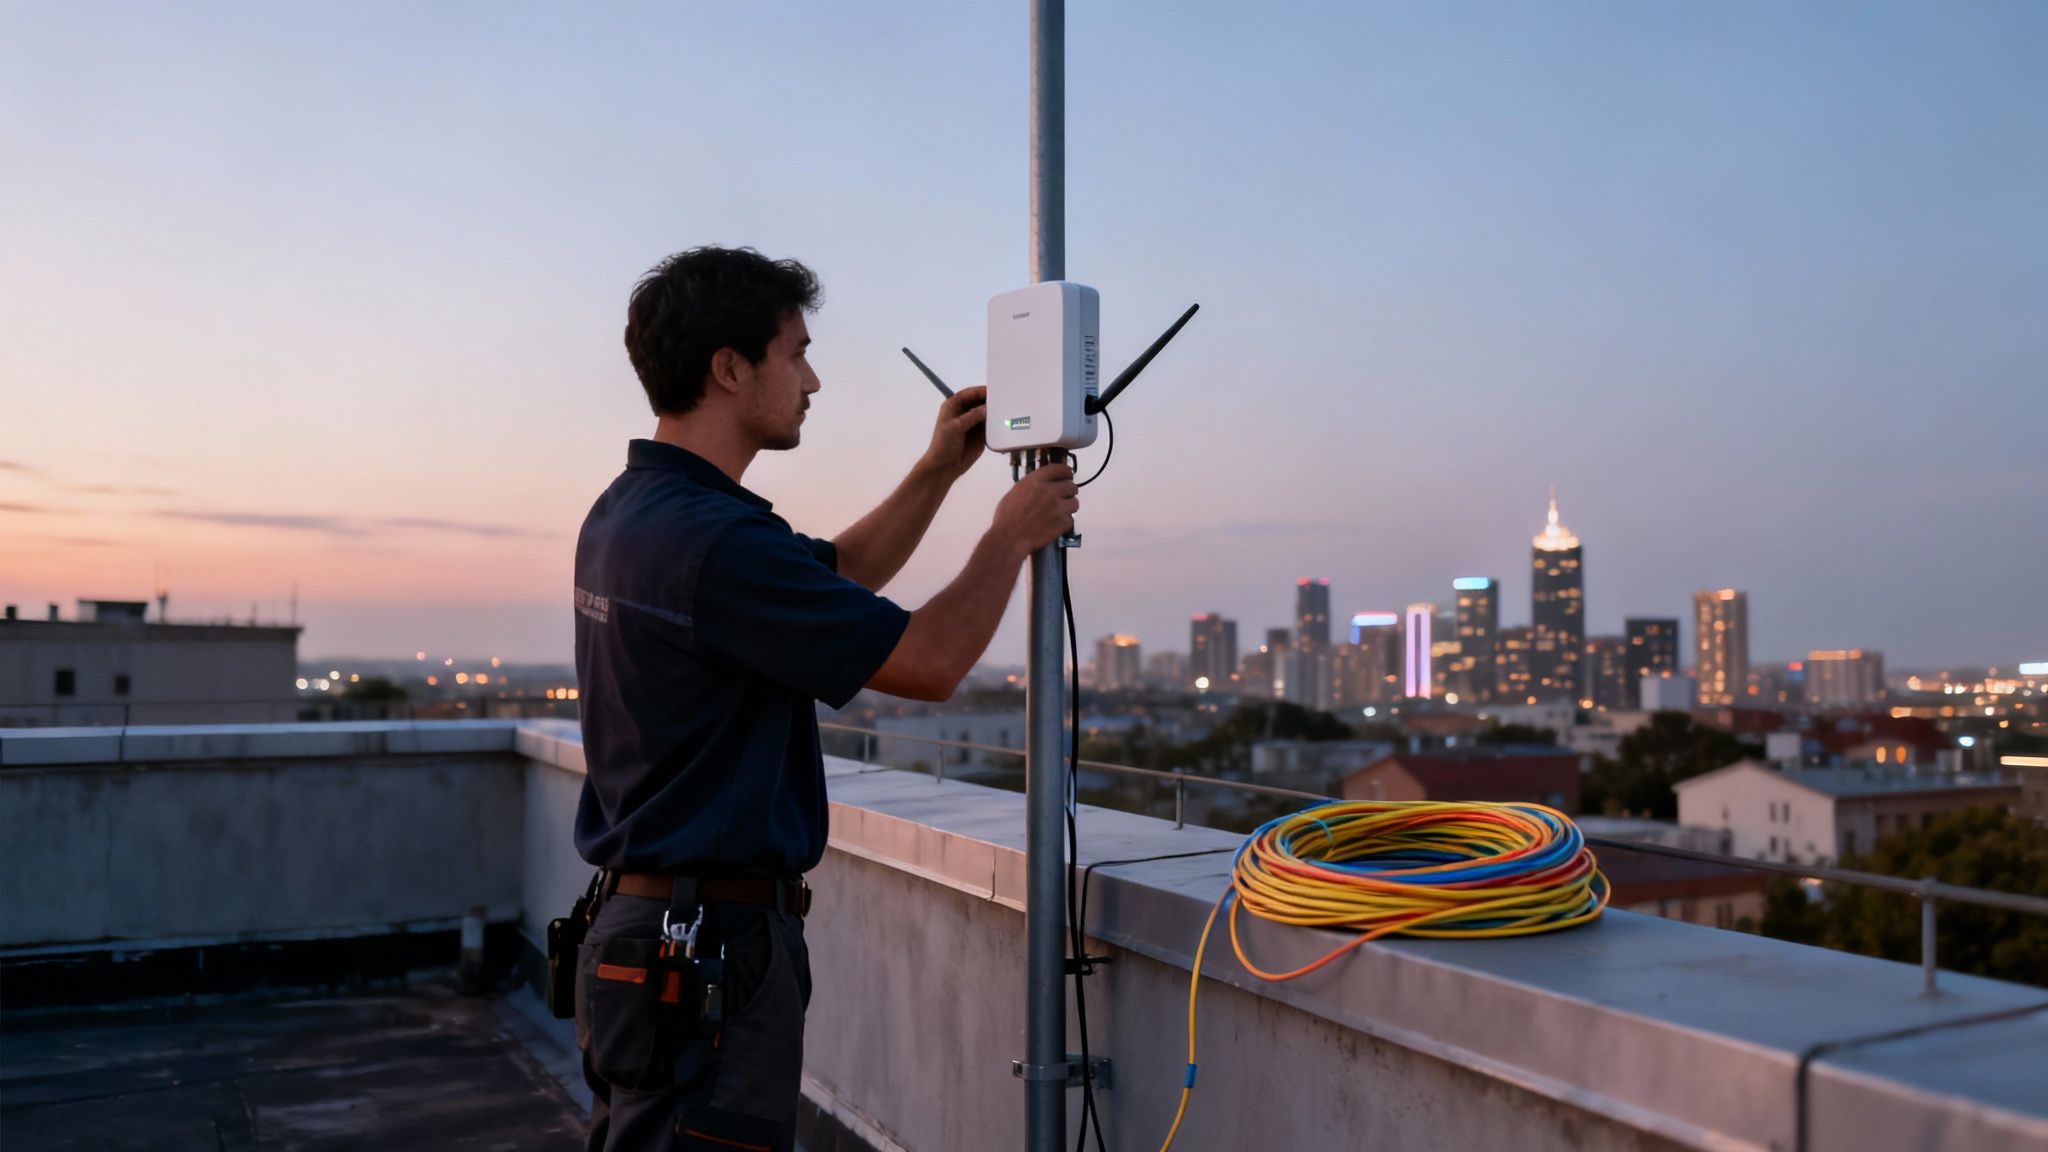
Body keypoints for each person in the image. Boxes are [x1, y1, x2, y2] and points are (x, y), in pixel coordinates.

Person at [570, 245, 1078, 1151]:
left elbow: (839, 577)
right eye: (796, 352)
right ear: (730, 369)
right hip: (707, 947)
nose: (814, 380)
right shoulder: (714, 542)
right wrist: (1011, 537)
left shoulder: (634, 512)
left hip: (645, 935)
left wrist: (936, 473)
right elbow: (928, 663)